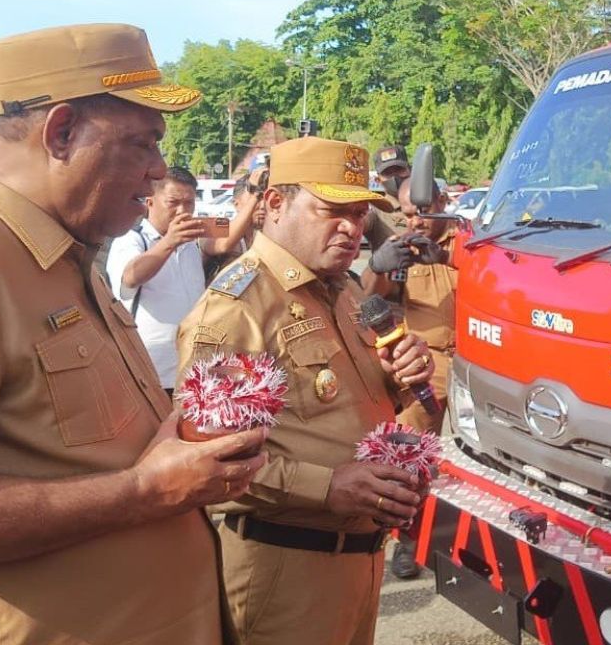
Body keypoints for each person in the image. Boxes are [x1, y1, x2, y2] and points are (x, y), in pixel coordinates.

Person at [0, 23, 267, 645]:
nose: (159, 172)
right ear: (61, 132)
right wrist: (143, 491)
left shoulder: (65, 247)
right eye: (143, 143)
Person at [177, 136, 437, 645]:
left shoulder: (342, 290)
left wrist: (404, 377)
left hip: (356, 561)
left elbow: (351, 403)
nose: (351, 228)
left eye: (360, 215)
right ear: (275, 204)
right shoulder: (240, 310)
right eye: (331, 210)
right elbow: (208, 464)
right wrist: (329, 487)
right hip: (285, 570)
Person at [362, 176, 457, 579]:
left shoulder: (472, 241)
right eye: (407, 214)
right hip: (428, 365)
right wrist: (378, 265)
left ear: (443, 201)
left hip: (480, 360)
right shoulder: (405, 246)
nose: (414, 221)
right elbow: (369, 297)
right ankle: (407, 541)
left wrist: (452, 258)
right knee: (409, 454)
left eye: (422, 211)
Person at [106, 166, 256, 394]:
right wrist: (170, 241)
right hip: (150, 369)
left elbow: (227, 236)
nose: (182, 211)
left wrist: (255, 195)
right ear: (150, 202)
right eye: (173, 203)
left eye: (189, 203)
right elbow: (131, 277)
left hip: (193, 367)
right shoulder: (132, 238)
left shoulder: (194, 234)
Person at [365, 144, 410, 250]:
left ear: (410, 170)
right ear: (378, 180)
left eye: (399, 170)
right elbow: (361, 222)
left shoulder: (427, 205)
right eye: (388, 173)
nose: (395, 177)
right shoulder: (376, 213)